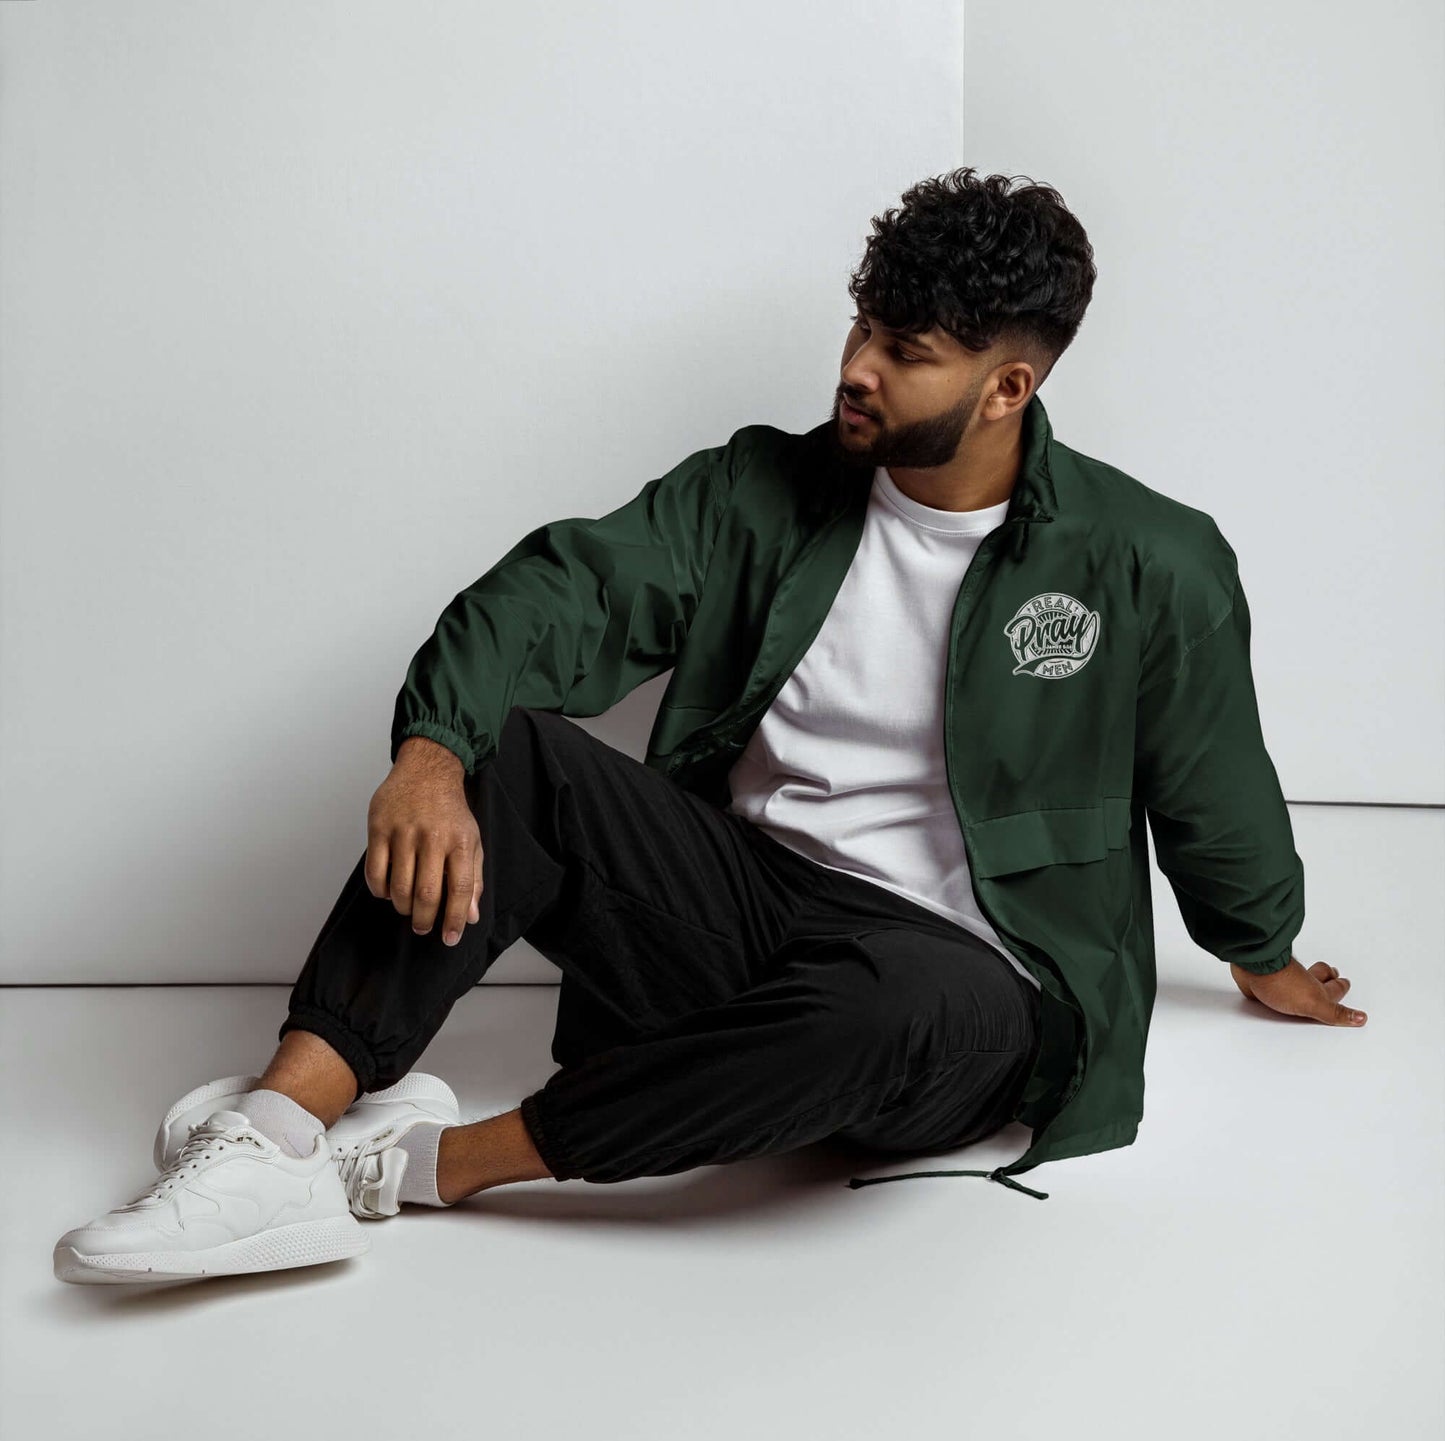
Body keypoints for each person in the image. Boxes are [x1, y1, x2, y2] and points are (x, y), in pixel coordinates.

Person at [54, 167, 1366, 1286]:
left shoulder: (1146, 559)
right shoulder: (760, 492)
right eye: (860, 324)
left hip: (975, 985)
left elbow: (1210, 774)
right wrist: (432, 747)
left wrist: (1261, 947)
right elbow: (568, 587)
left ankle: (424, 1164)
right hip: (747, 908)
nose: (855, 367)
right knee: (507, 752)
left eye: (905, 352)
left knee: (892, 998)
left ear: (1006, 386)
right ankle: (278, 1135)